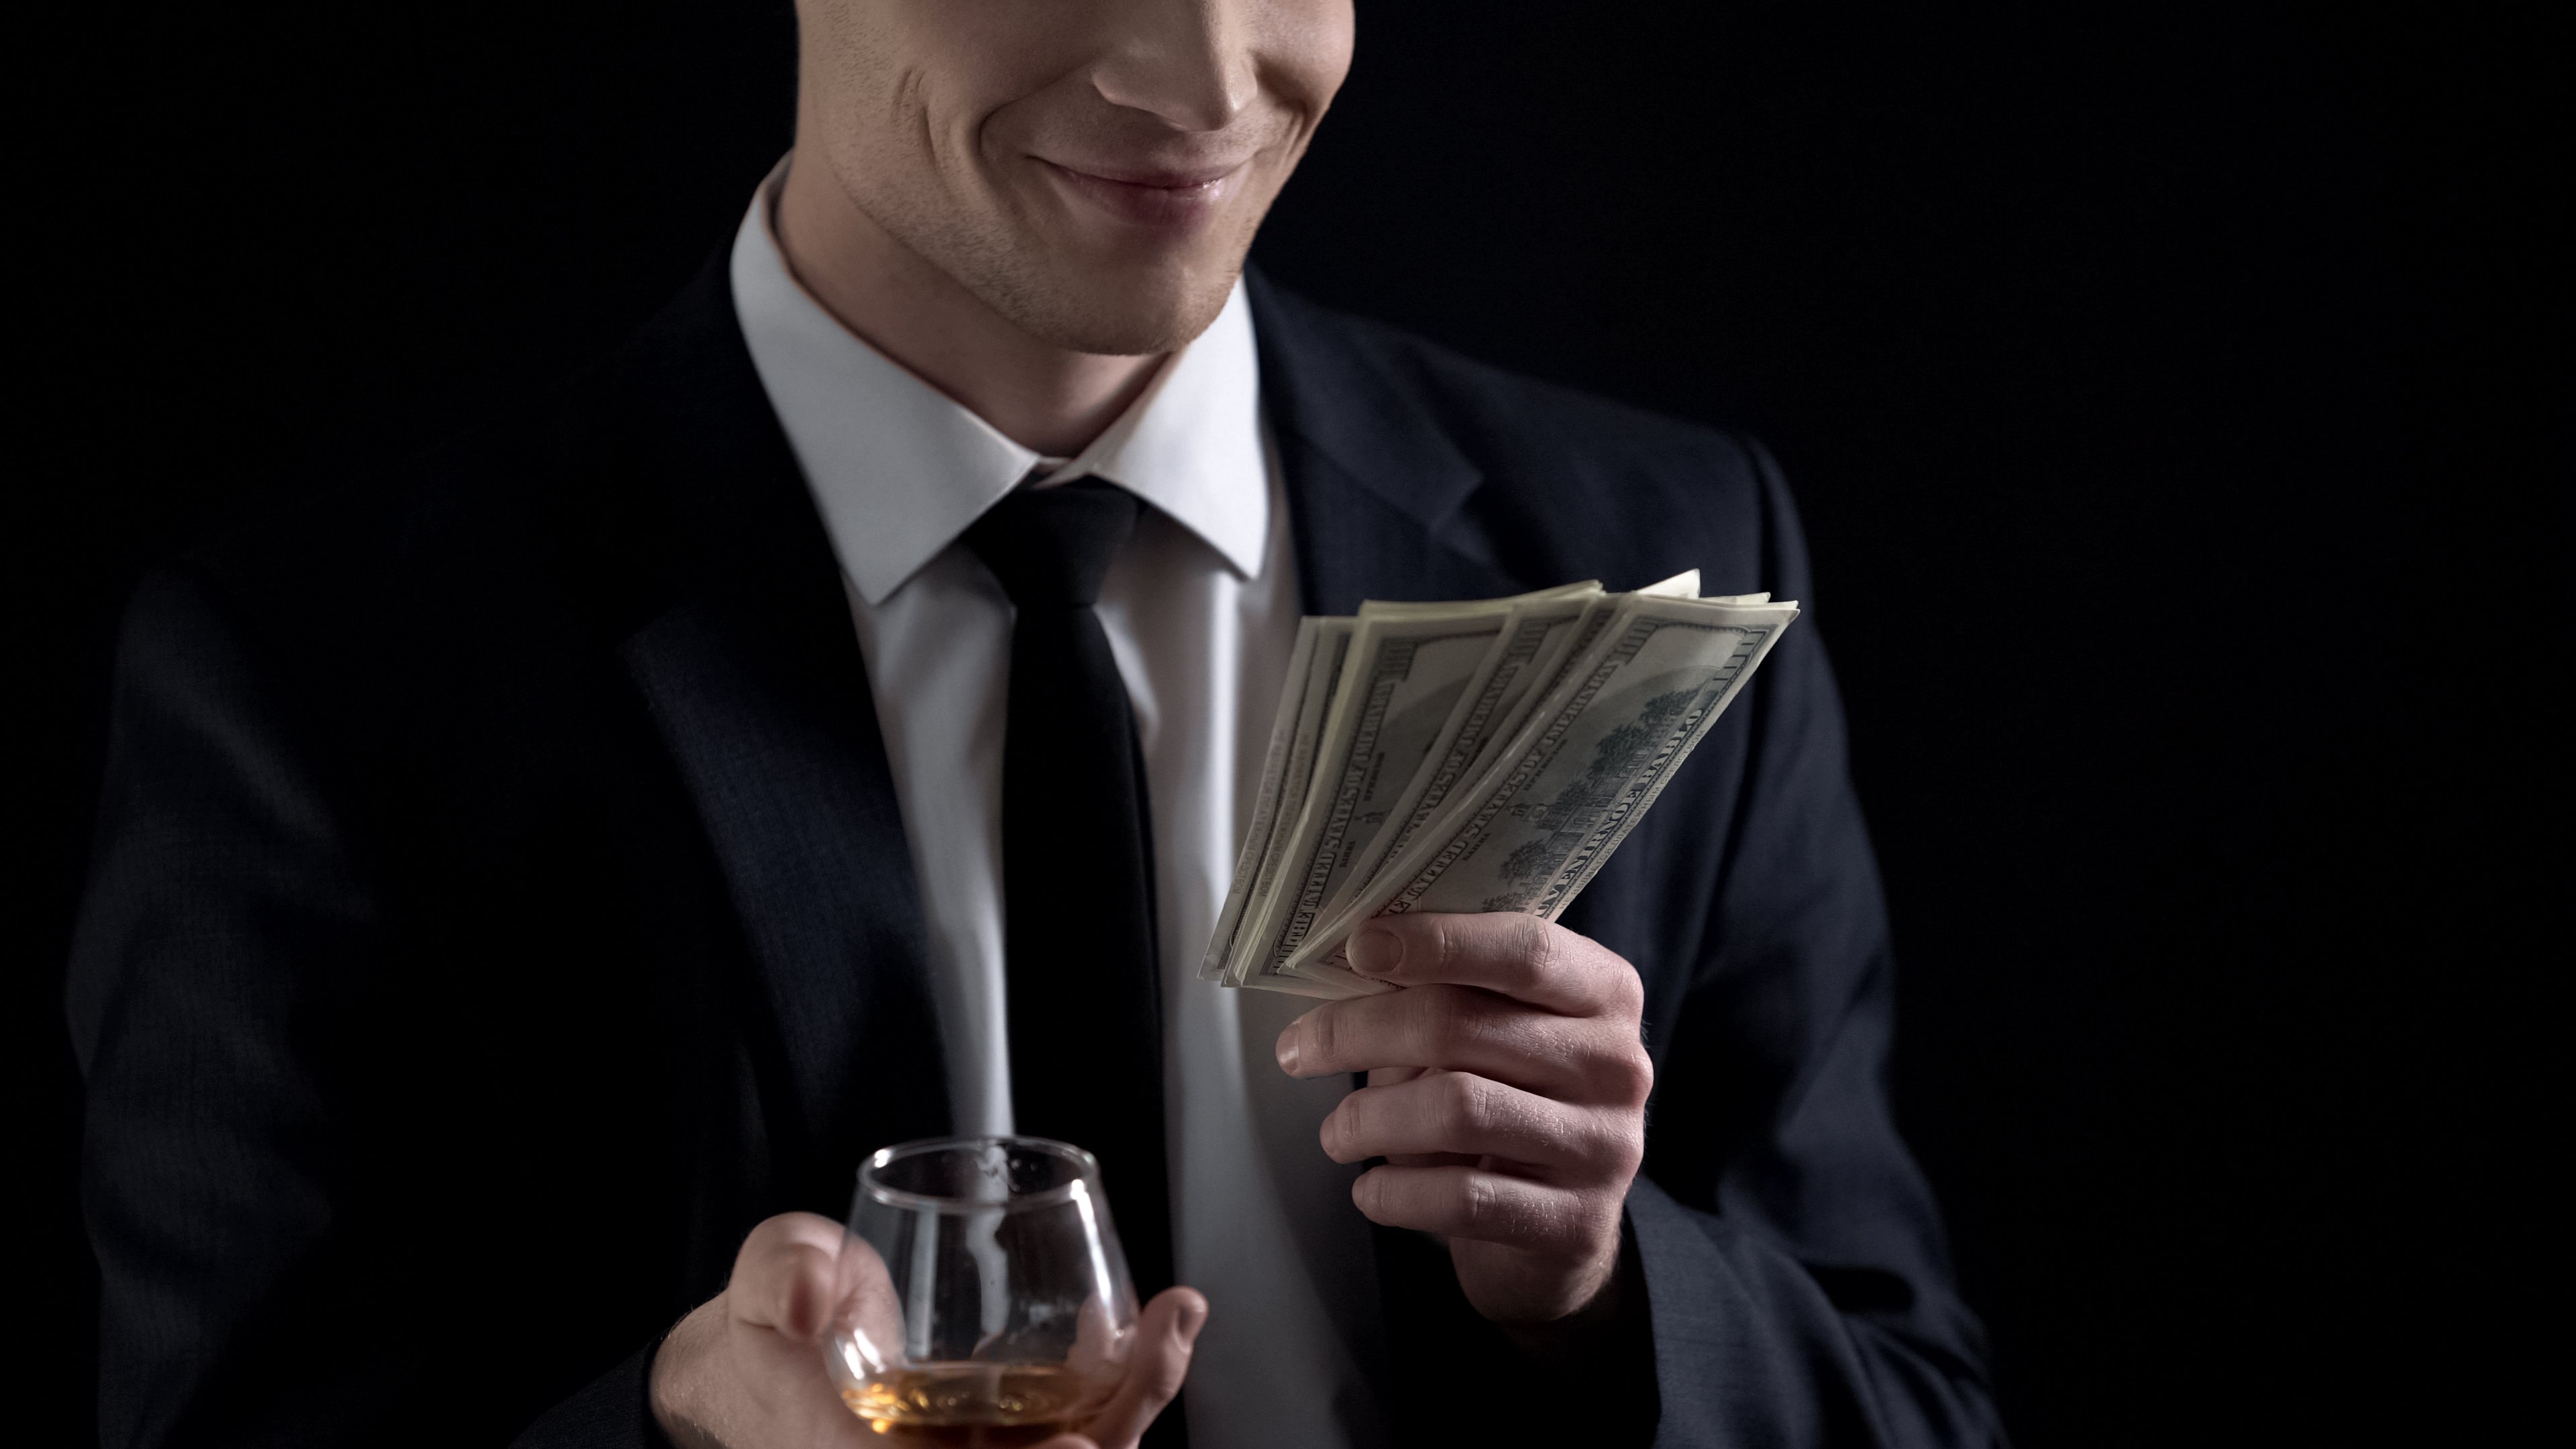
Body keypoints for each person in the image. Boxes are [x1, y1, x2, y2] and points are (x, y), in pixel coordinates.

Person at [66, 1, 2002, 1446]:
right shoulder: (321, 674)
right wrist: (668, 1423)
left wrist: (1602, 1297)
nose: (1205, 79)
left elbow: (1919, 1399)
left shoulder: (1661, 543)